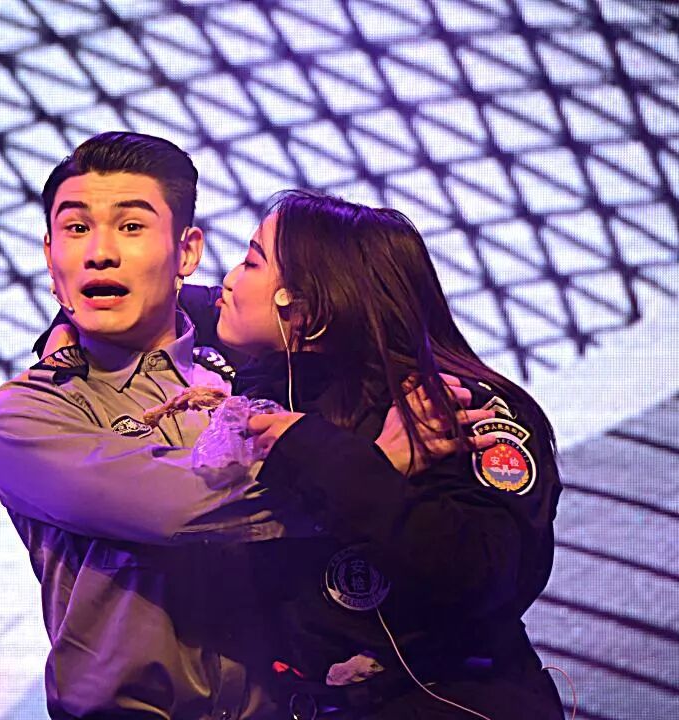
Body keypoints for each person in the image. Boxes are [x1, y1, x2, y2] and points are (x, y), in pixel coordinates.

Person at [0, 133, 493, 719]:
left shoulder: (256, 372)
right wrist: (371, 470)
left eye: (131, 226)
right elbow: (183, 507)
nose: (100, 252)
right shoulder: (30, 412)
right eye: (76, 228)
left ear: (187, 251)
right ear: (50, 256)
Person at [211, 191, 564, 719]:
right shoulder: (277, 395)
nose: (227, 279)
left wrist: (332, 458)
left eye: (251, 261)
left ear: (309, 305)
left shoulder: (455, 407)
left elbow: (488, 573)